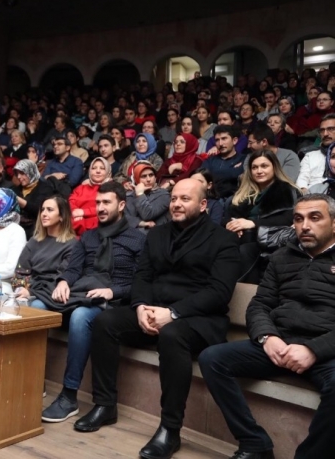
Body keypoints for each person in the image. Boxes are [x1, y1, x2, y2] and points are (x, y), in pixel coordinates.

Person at [80, 179, 240, 459]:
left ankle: (170, 429)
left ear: (203, 205)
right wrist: (141, 306)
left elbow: (219, 292)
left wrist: (174, 313)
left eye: (185, 199)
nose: (176, 204)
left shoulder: (222, 239)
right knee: (105, 322)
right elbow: (142, 276)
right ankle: (105, 405)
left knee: (172, 335)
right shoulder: (157, 234)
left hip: (198, 319)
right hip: (154, 311)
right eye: (174, 198)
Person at [199, 194, 335, 459]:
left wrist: (314, 350)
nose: (304, 225)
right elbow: (259, 304)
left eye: (314, 217)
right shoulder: (282, 257)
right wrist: (267, 337)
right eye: (298, 219)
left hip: (325, 351)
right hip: (279, 344)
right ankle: (254, 442)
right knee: (212, 358)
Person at [38, 182, 145, 423]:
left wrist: (112, 291)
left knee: (80, 317)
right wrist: (64, 281)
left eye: (106, 202)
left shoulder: (137, 239)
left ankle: (68, 395)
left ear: (121, 204)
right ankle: (32, 380)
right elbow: (73, 268)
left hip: (113, 304)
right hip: (81, 293)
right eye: (98, 203)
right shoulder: (88, 236)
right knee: (35, 308)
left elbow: (141, 282)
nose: (100, 208)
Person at [224, 149, 301, 283]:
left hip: (273, 242)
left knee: (245, 251)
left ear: (274, 167)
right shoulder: (243, 193)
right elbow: (227, 218)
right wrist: (233, 226)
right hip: (242, 240)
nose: (259, 171)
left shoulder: (288, 190)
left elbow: (289, 218)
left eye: (264, 166)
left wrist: (253, 224)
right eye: (254, 167)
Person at [69, 157, 113, 236]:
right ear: (89, 171)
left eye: (102, 168)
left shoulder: (111, 188)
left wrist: (83, 212)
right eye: (94, 168)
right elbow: (71, 201)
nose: (98, 171)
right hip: (75, 224)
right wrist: (75, 212)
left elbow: (108, 207)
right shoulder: (81, 187)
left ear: (107, 171)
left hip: (99, 229)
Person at [13, 159, 55, 238]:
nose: (18, 177)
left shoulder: (45, 188)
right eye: (17, 174)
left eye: (22, 173)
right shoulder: (16, 189)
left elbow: (40, 210)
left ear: (31, 172)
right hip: (17, 227)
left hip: (36, 229)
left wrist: (21, 202)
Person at [124, 161, 170, 233]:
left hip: (153, 235)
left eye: (151, 175)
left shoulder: (163, 194)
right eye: (144, 176)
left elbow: (148, 214)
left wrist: (140, 194)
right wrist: (140, 223)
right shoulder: (129, 195)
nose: (148, 179)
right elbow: (122, 217)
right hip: (130, 234)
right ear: (136, 179)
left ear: (155, 178)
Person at [204, 126, 246, 198]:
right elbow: (202, 178)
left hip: (236, 199)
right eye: (217, 140)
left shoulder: (244, 159)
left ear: (234, 140)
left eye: (224, 139)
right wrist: (233, 172)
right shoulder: (210, 160)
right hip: (212, 199)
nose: (220, 143)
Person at [297, 113, 335, 192]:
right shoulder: (310, 155)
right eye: (322, 130)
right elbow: (302, 180)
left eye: (330, 129)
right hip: (314, 196)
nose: (325, 134)